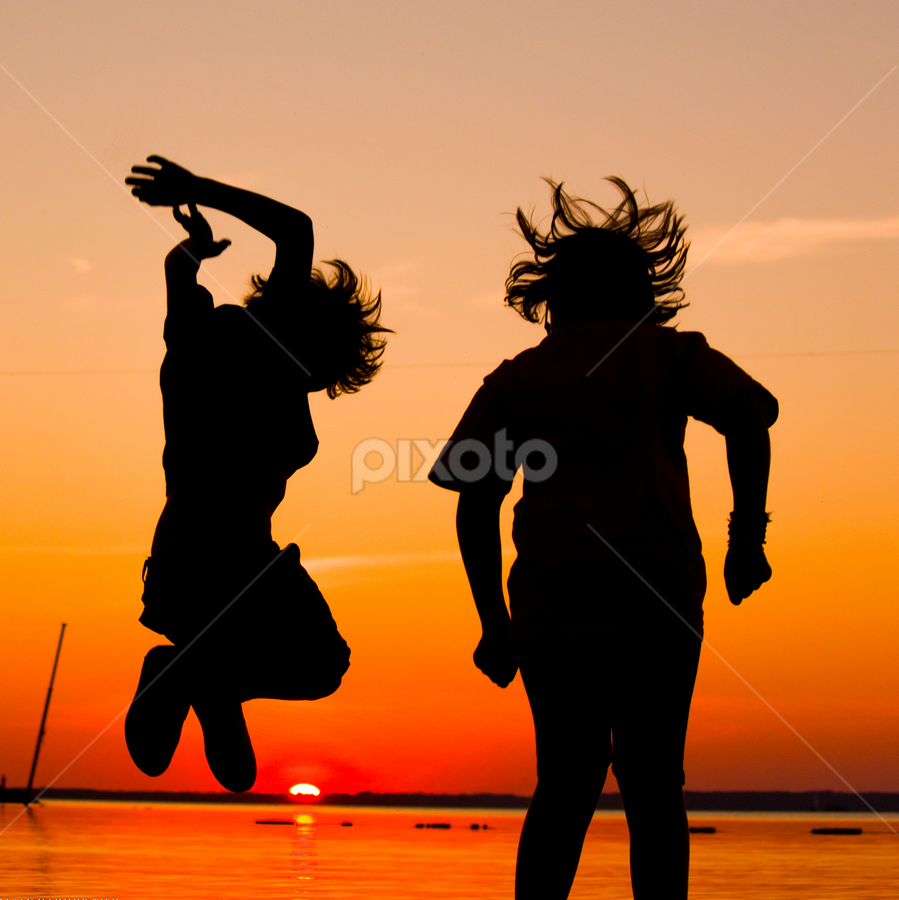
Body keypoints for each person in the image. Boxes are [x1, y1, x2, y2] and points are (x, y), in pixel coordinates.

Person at [429, 177, 777, 899]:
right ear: (640, 288)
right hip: (656, 588)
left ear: (553, 295)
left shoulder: (518, 378)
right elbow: (748, 416)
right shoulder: (668, 355)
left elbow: (474, 505)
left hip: (553, 599)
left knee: (564, 779)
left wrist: (493, 624)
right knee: (653, 782)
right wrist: (747, 536)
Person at [123, 156, 389, 792]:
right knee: (323, 663)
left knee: (314, 662)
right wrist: (199, 189)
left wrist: (190, 250)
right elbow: (296, 231)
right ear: (311, 337)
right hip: (235, 551)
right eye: (329, 368)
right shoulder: (268, 346)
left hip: (179, 549)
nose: (323, 386)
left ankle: (196, 676)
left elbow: (178, 277)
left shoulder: (198, 337)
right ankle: (202, 679)